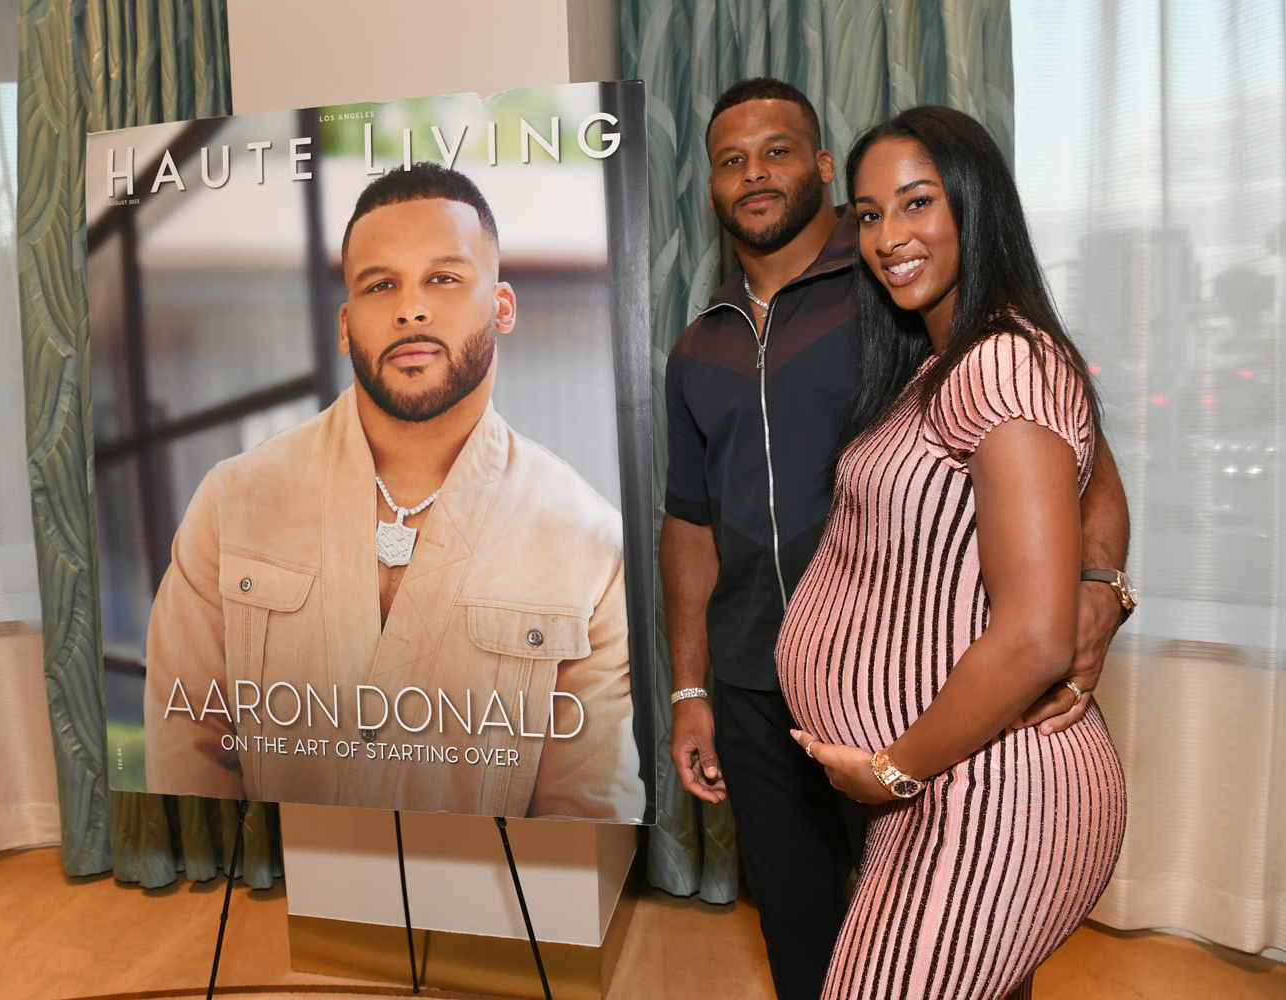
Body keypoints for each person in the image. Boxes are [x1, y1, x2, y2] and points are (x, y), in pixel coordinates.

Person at [661, 79, 1134, 999]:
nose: (755, 174)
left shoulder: (902, 299)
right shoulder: (701, 346)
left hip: (942, 728)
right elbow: (686, 522)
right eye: (731, 160)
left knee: (950, 947)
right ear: (710, 185)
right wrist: (690, 685)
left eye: (778, 150)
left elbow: (1086, 462)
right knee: (804, 932)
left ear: (821, 167)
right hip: (762, 695)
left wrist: (1098, 587)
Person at [144, 163, 644, 822]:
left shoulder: (585, 542)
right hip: (278, 896)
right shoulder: (234, 500)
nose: (410, 307)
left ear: (500, 307)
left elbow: (587, 801)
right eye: (381, 285)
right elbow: (187, 745)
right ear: (347, 324)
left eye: (443, 278)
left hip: (488, 906)